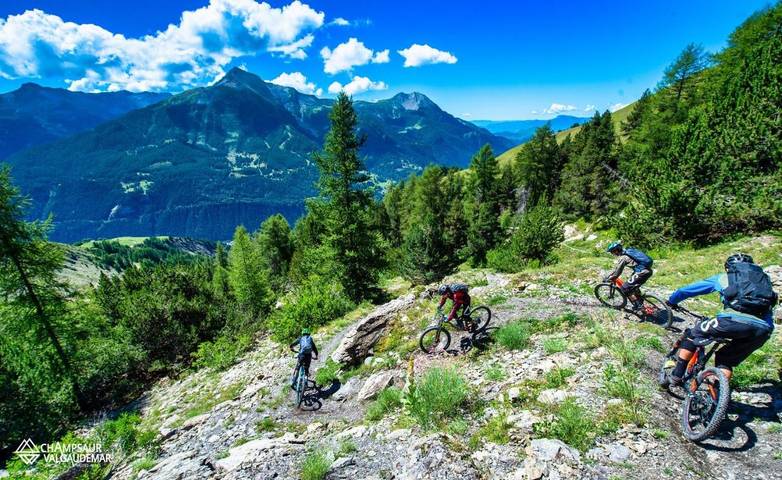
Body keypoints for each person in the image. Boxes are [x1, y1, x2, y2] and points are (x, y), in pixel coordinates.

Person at [660, 253, 777, 387]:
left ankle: (676, 376)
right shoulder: (764, 284)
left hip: (731, 321)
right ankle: (718, 393)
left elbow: (686, 291)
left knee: (692, 335)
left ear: (728, 268)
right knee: (725, 360)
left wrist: (672, 301)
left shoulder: (724, 277)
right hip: (763, 330)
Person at [605, 241, 654, 310]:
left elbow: (618, 272)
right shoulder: (629, 251)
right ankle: (640, 300)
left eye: (612, 252)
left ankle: (638, 305)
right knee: (633, 285)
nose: (612, 254)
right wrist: (611, 275)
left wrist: (610, 278)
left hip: (641, 272)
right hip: (648, 270)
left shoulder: (623, 257)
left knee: (624, 288)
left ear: (616, 251)